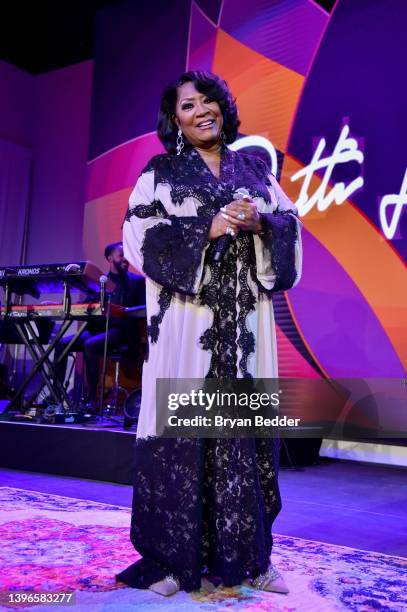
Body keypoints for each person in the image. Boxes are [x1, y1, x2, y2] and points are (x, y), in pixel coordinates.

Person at [116, 71, 303, 596]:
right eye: (189, 105)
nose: (202, 110)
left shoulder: (256, 171)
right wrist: (210, 228)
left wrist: (263, 223)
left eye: (209, 100)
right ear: (174, 119)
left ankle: (251, 561)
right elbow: (138, 237)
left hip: (244, 326)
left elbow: (292, 224)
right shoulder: (160, 173)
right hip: (186, 323)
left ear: (223, 107)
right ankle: (174, 563)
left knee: (240, 438)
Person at [53, 242, 145, 405]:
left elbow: (144, 309)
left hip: (121, 331)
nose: (126, 259)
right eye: (121, 255)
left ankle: (92, 398)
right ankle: (56, 395)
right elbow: (88, 306)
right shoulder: (99, 281)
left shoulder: (136, 282)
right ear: (110, 258)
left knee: (90, 344)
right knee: (61, 344)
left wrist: (125, 310)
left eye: (127, 256)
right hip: (98, 330)